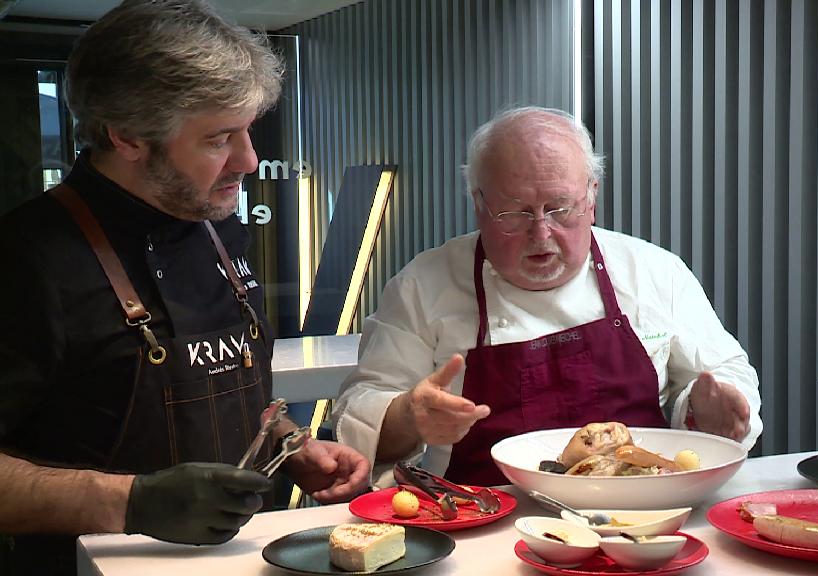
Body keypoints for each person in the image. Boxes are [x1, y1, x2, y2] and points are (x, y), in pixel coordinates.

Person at [0, 2, 369, 574]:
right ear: (127, 136)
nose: (248, 159)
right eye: (219, 138)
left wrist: (291, 443)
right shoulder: (26, 260)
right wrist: (131, 502)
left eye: (247, 130)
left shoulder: (217, 229)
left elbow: (226, 389)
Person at [333, 106, 762, 487]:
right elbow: (361, 408)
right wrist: (410, 414)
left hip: (640, 512)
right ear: (478, 204)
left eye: (560, 208)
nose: (542, 234)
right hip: (485, 517)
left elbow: (722, 378)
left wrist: (710, 410)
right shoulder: (422, 286)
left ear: (591, 197)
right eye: (515, 213)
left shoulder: (653, 272)